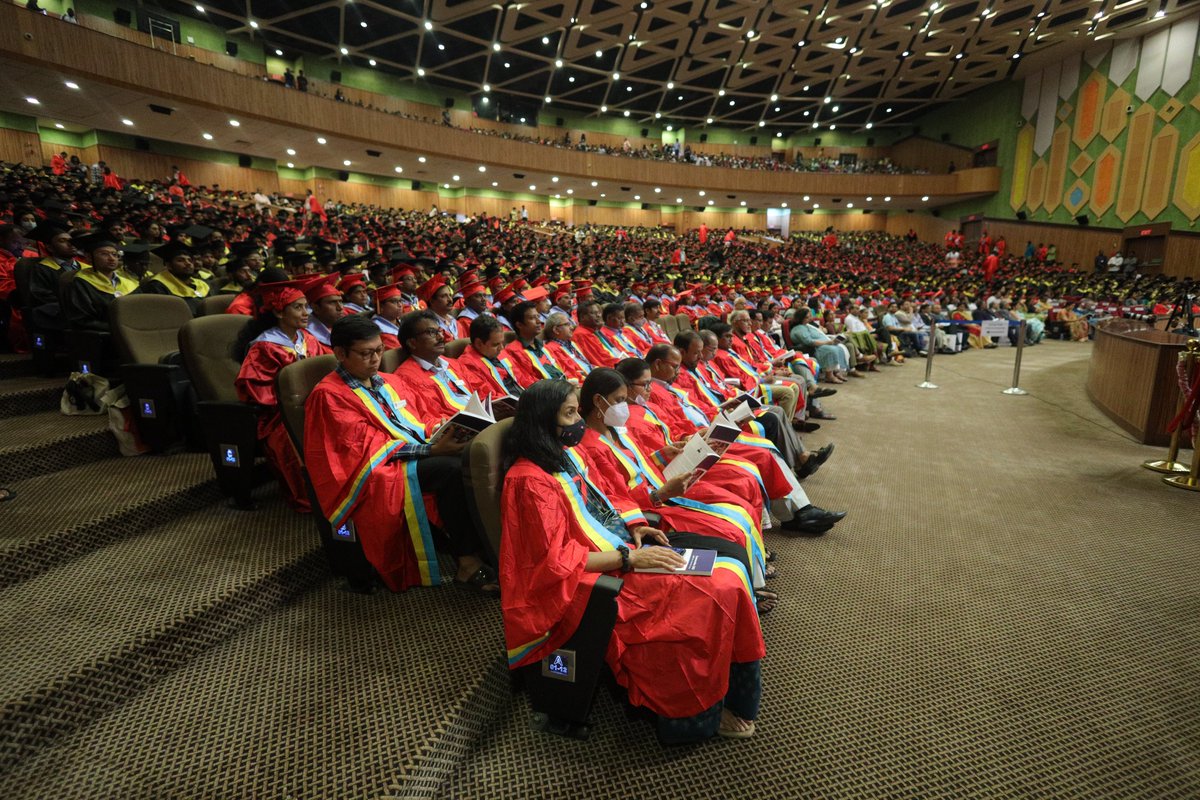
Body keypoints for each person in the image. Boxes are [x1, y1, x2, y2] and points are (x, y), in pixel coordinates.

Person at [499, 379, 764, 742]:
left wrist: (636, 527)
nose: (579, 421)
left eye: (577, 411)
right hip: (584, 581)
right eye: (570, 413)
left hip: (619, 550)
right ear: (543, 420)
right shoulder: (528, 480)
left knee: (729, 575)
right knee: (716, 591)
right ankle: (696, 715)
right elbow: (553, 562)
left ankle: (729, 693)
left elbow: (610, 499)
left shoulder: (564, 454)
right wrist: (629, 558)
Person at [305, 315, 498, 593]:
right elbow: (362, 449)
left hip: (409, 453)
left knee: (470, 455)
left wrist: (444, 431)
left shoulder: (385, 380)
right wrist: (431, 449)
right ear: (339, 353)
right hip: (373, 471)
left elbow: (415, 421)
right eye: (365, 353)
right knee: (452, 470)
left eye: (379, 351)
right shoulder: (329, 395)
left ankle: (483, 543)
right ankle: (467, 562)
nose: (374, 359)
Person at [576, 368, 777, 611]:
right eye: (619, 401)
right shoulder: (591, 446)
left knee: (741, 512)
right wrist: (659, 495)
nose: (625, 406)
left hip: (659, 488)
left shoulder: (615, 430)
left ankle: (752, 586)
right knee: (731, 527)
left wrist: (663, 455)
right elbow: (615, 497)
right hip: (650, 508)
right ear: (598, 401)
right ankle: (750, 594)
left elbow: (635, 467)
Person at [233, 278, 331, 511]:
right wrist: (297, 403)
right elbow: (258, 392)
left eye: (306, 306)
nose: (306, 312)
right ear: (278, 312)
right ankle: (308, 499)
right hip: (279, 415)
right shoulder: (264, 346)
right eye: (298, 307)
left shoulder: (308, 340)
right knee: (289, 440)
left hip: (312, 405)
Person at [63, 232, 138, 332]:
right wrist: (120, 329)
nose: (112, 258)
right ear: (89, 257)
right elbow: (83, 320)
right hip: (104, 337)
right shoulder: (81, 283)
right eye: (104, 254)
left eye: (115, 254)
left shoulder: (130, 284)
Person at [455, 314, 522, 401]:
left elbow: (522, 378)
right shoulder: (467, 365)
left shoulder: (498, 352)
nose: (502, 348)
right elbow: (487, 398)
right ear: (479, 343)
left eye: (502, 343)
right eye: (496, 344)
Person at [134, 240, 210, 314]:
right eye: (180, 260)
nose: (188, 263)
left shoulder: (201, 284)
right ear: (169, 265)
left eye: (190, 260)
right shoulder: (157, 287)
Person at [502, 300, 566, 386]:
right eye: (532, 318)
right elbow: (529, 382)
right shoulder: (513, 351)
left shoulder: (543, 346)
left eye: (538, 316)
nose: (539, 321)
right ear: (519, 325)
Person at [542, 310, 593, 382]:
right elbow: (569, 374)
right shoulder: (551, 349)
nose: (572, 327)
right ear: (556, 330)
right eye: (567, 324)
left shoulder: (571, 343)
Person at [304, 274, 342, 347]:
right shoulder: (308, 339)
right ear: (316, 308)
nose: (340, 308)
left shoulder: (342, 326)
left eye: (340, 301)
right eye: (332, 302)